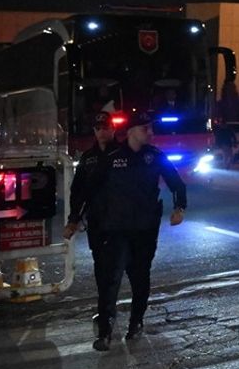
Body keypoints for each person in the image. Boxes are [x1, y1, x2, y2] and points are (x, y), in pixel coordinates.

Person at [65, 110, 186, 350]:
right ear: (131, 132)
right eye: (145, 129)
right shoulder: (110, 157)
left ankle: (136, 322)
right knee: (110, 279)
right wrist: (75, 218)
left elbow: (176, 183)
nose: (150, 133)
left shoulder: (155, 156)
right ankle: (105, 332)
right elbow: (86, 190)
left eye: (151, 128)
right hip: (115, 229)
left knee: (140, 277)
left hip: (145, 229)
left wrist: (179, 208)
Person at [64, 113, 121, 341]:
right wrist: (73, 219)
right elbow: (77, 193)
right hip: (98, 222)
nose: (102, 132)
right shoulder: (88, 158)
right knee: (102, 269)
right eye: (98, 128)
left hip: (122, 223)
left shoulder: (123, 154)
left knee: (118, 269)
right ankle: (106, 314)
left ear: (113, 129)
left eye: (105, 127)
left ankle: (111, 317)